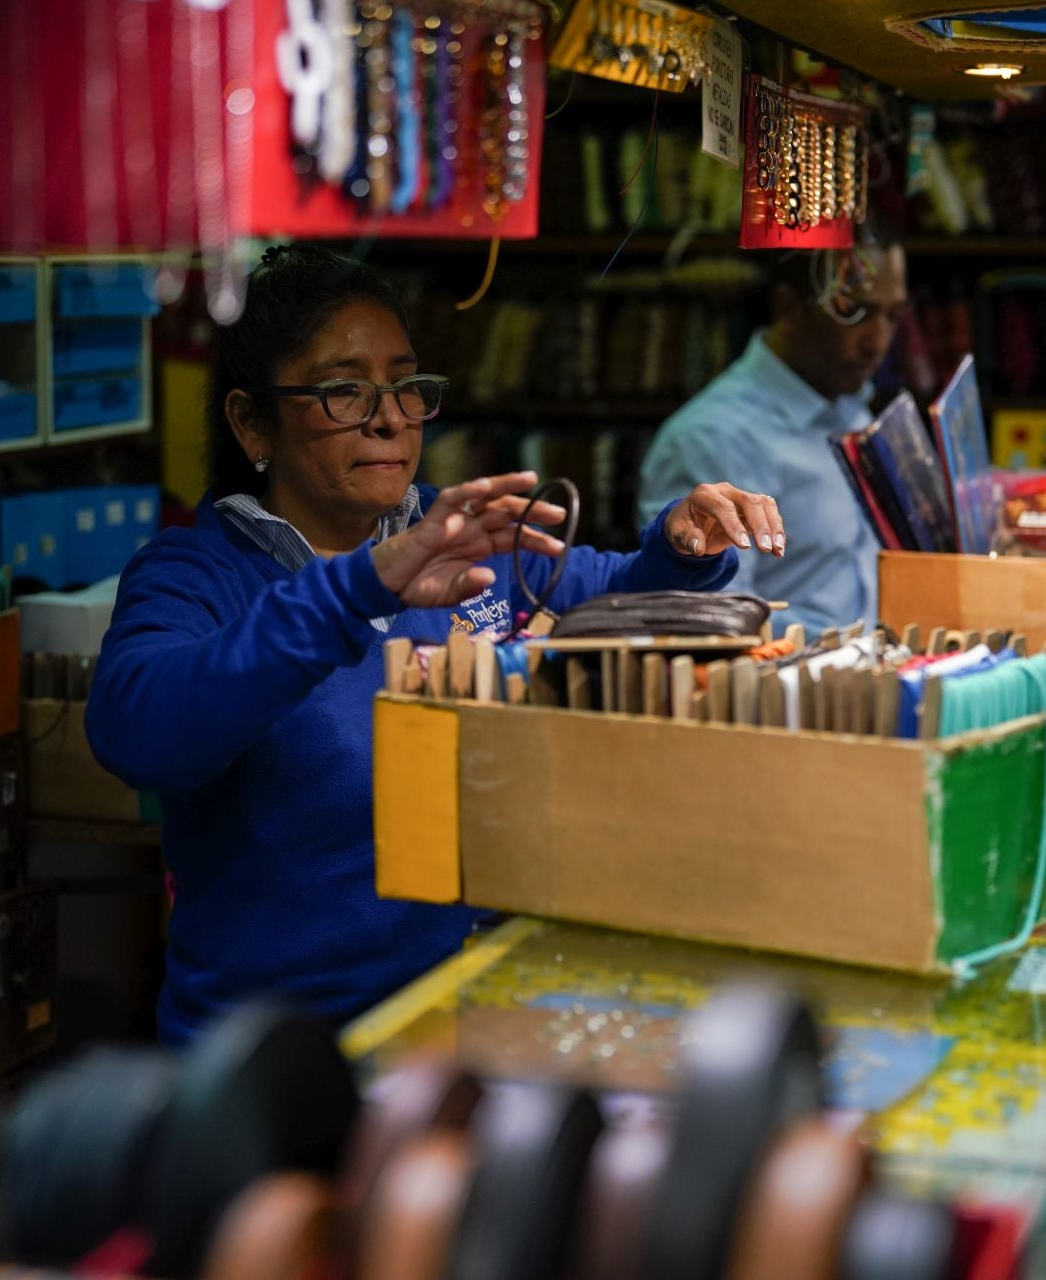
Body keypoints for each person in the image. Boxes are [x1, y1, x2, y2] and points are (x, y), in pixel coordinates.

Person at [86, 247, 785, 1044]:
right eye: (345, 389)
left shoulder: (454, 537)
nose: (388, 418)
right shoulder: (195, 573)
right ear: (252, 422)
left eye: (406, 387)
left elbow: (610, 593)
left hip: (457, 1022)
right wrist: (360, 588)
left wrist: (681, 549)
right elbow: (135, 731)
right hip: (283, 1067)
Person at [637, 227, 908, 635]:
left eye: (891, 316)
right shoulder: (713, 438)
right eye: (853, 311)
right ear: (790, 310)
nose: (879, 342)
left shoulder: (851, 411)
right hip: (789, 690)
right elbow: (711, 622)